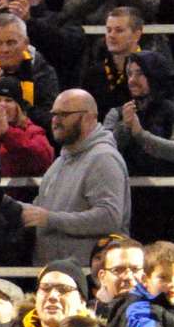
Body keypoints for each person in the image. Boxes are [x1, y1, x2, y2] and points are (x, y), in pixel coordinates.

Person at [26, 88, 131, 263]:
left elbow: (109, 217)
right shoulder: (61, 161)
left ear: (89, 117)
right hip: (57, 273)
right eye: (54, 114)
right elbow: (42, 209)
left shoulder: (103, 158)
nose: (56, 121)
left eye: (63, 115)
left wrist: (50, 219)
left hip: (89, 277)